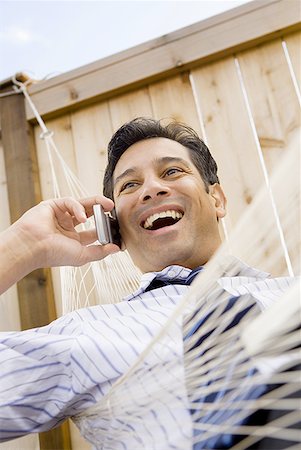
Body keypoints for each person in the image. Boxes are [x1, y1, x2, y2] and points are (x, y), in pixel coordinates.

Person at [0, 118, 296, 448]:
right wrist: (19, 247)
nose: (152, 189)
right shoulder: (84, 335)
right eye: (129, 186)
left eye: (172, 172)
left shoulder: (291, 295)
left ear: (217, 200)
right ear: (113, 228)